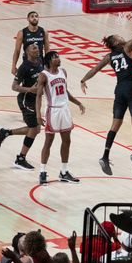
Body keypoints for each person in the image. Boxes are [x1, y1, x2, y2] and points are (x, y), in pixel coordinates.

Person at [81, 12, 132, 175]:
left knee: (115, 125)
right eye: (119, 36)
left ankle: (105, 156)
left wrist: (83, 80)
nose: (122, 37)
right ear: (117, 42)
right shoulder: (128, 47)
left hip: (119, 91)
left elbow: (95, 69)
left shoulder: (109, 56)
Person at [34, 51, 86, 185]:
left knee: (67, 140)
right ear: (49, 61)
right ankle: (42, 172)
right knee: (48, 141)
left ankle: (64, 172)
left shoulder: (63, 71)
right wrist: (38, 114)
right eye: (55, 57)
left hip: (65, 109)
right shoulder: (43, 76)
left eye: (58, 56)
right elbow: (39, 96)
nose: (58, 58)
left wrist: (78, 102)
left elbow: (65, 91)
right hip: (53, 110)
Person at [0, 42, 43, 170]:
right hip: (25, 100)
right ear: (27, 51)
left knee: (36, 129)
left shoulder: (40, 61)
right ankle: (20, 159)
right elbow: (14, 86)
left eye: (37, 47)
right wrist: (30, 89)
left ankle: (6, 132)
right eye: (34, 48)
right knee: (34, 128)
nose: (37, 49)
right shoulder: (24, 67)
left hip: (35, 99)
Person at [10, 11, 51, 75]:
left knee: (42, 84)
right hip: (27, 63)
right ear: (28, 19)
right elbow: (17, 51)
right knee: (27, 83)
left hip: (40, 63)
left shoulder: (43, 31)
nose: (34, 18)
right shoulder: (22, 33)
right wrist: (13, 65)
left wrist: (48, 64)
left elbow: (47, 50)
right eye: (32, 16)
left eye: (36, 16)